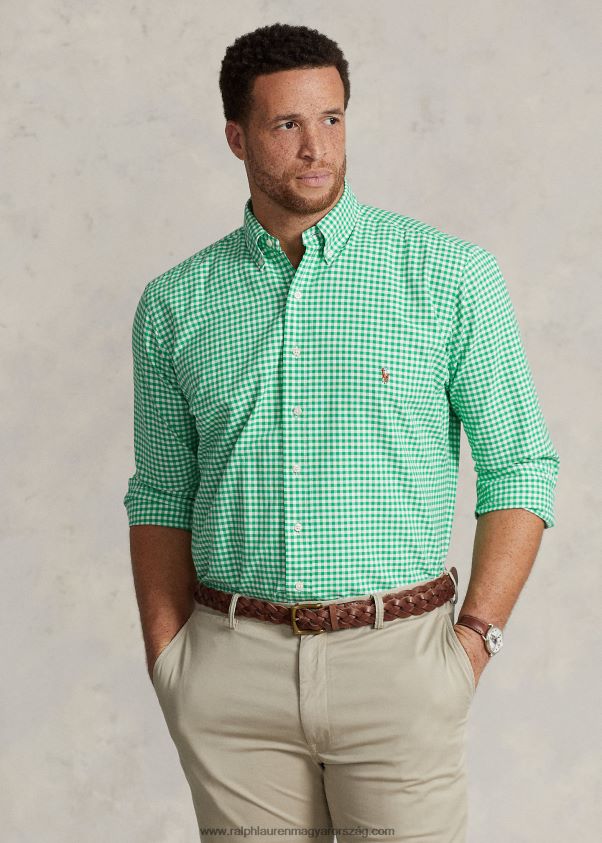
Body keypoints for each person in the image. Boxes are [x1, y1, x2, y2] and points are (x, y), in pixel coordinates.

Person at [123, 22, 559, 843]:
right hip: (231, 672)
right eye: (287, 124)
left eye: (331, 118)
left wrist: (474, 639)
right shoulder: (175, 303)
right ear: (237, 137)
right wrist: (170, 655)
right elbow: (160, 491)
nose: (316, 147)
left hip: (400, 666)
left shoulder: (447, 276)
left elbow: (521, 467)